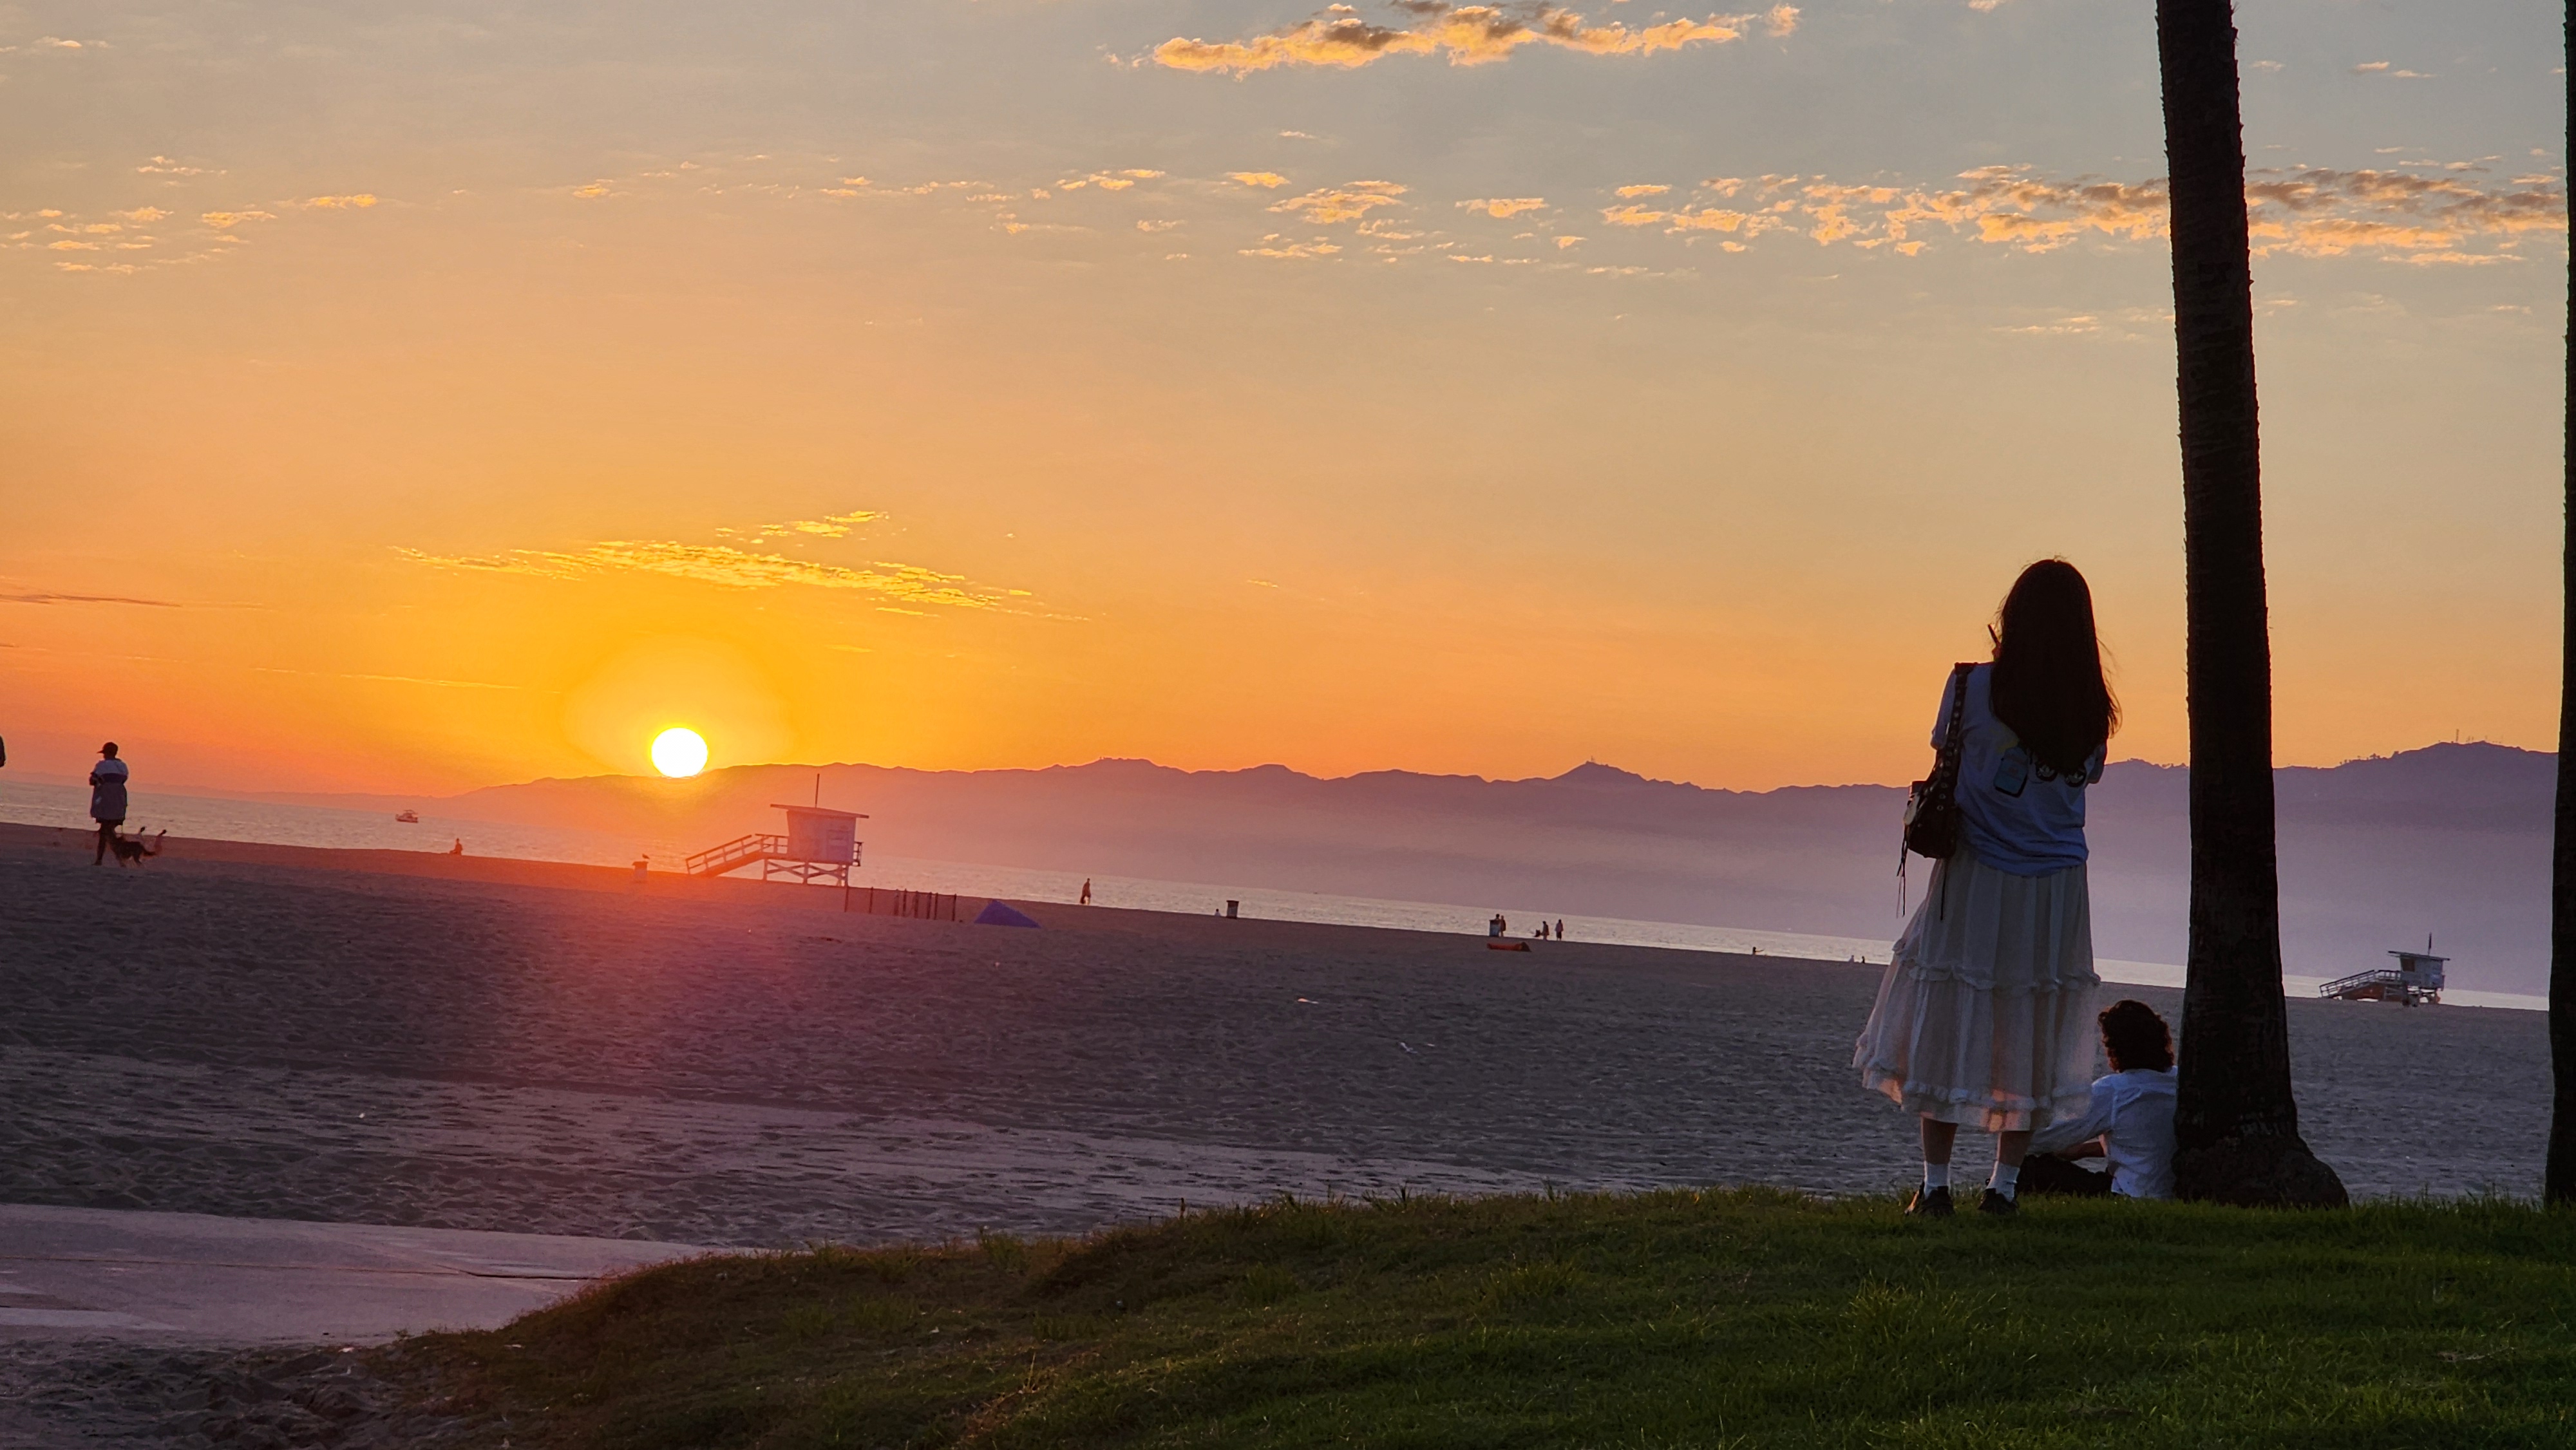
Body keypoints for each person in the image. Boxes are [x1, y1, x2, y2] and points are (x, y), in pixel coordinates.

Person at [1854, 559, 2117, 1218]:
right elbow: (2080, 782)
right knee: (2032, 1024)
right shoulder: (2092, 710)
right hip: (2055, 887)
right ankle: (2002, 1187)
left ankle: (1936, 1184)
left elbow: (1948, 759)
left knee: (1947, 1015)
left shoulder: (1970, 687)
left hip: (1975, 872)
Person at [2022, 1000, 2179, 1200]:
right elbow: (2148, 1143)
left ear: (2114, 1049)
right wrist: (2082, 1150)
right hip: (2173, 1193)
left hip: (2131, 1195)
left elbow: (2036, 1140)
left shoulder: (2115, 1090)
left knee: (2028, 1166)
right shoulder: (2179, 1080)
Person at [90, 742, 129, 866]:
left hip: (105, 799)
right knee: (108, 829)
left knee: (106, 830)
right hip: (119, 798)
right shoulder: (122, 766)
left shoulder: (102, 765)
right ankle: (115, 858)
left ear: (106, 753)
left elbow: (93, 780)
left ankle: (106, 859)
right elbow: (124, 780)